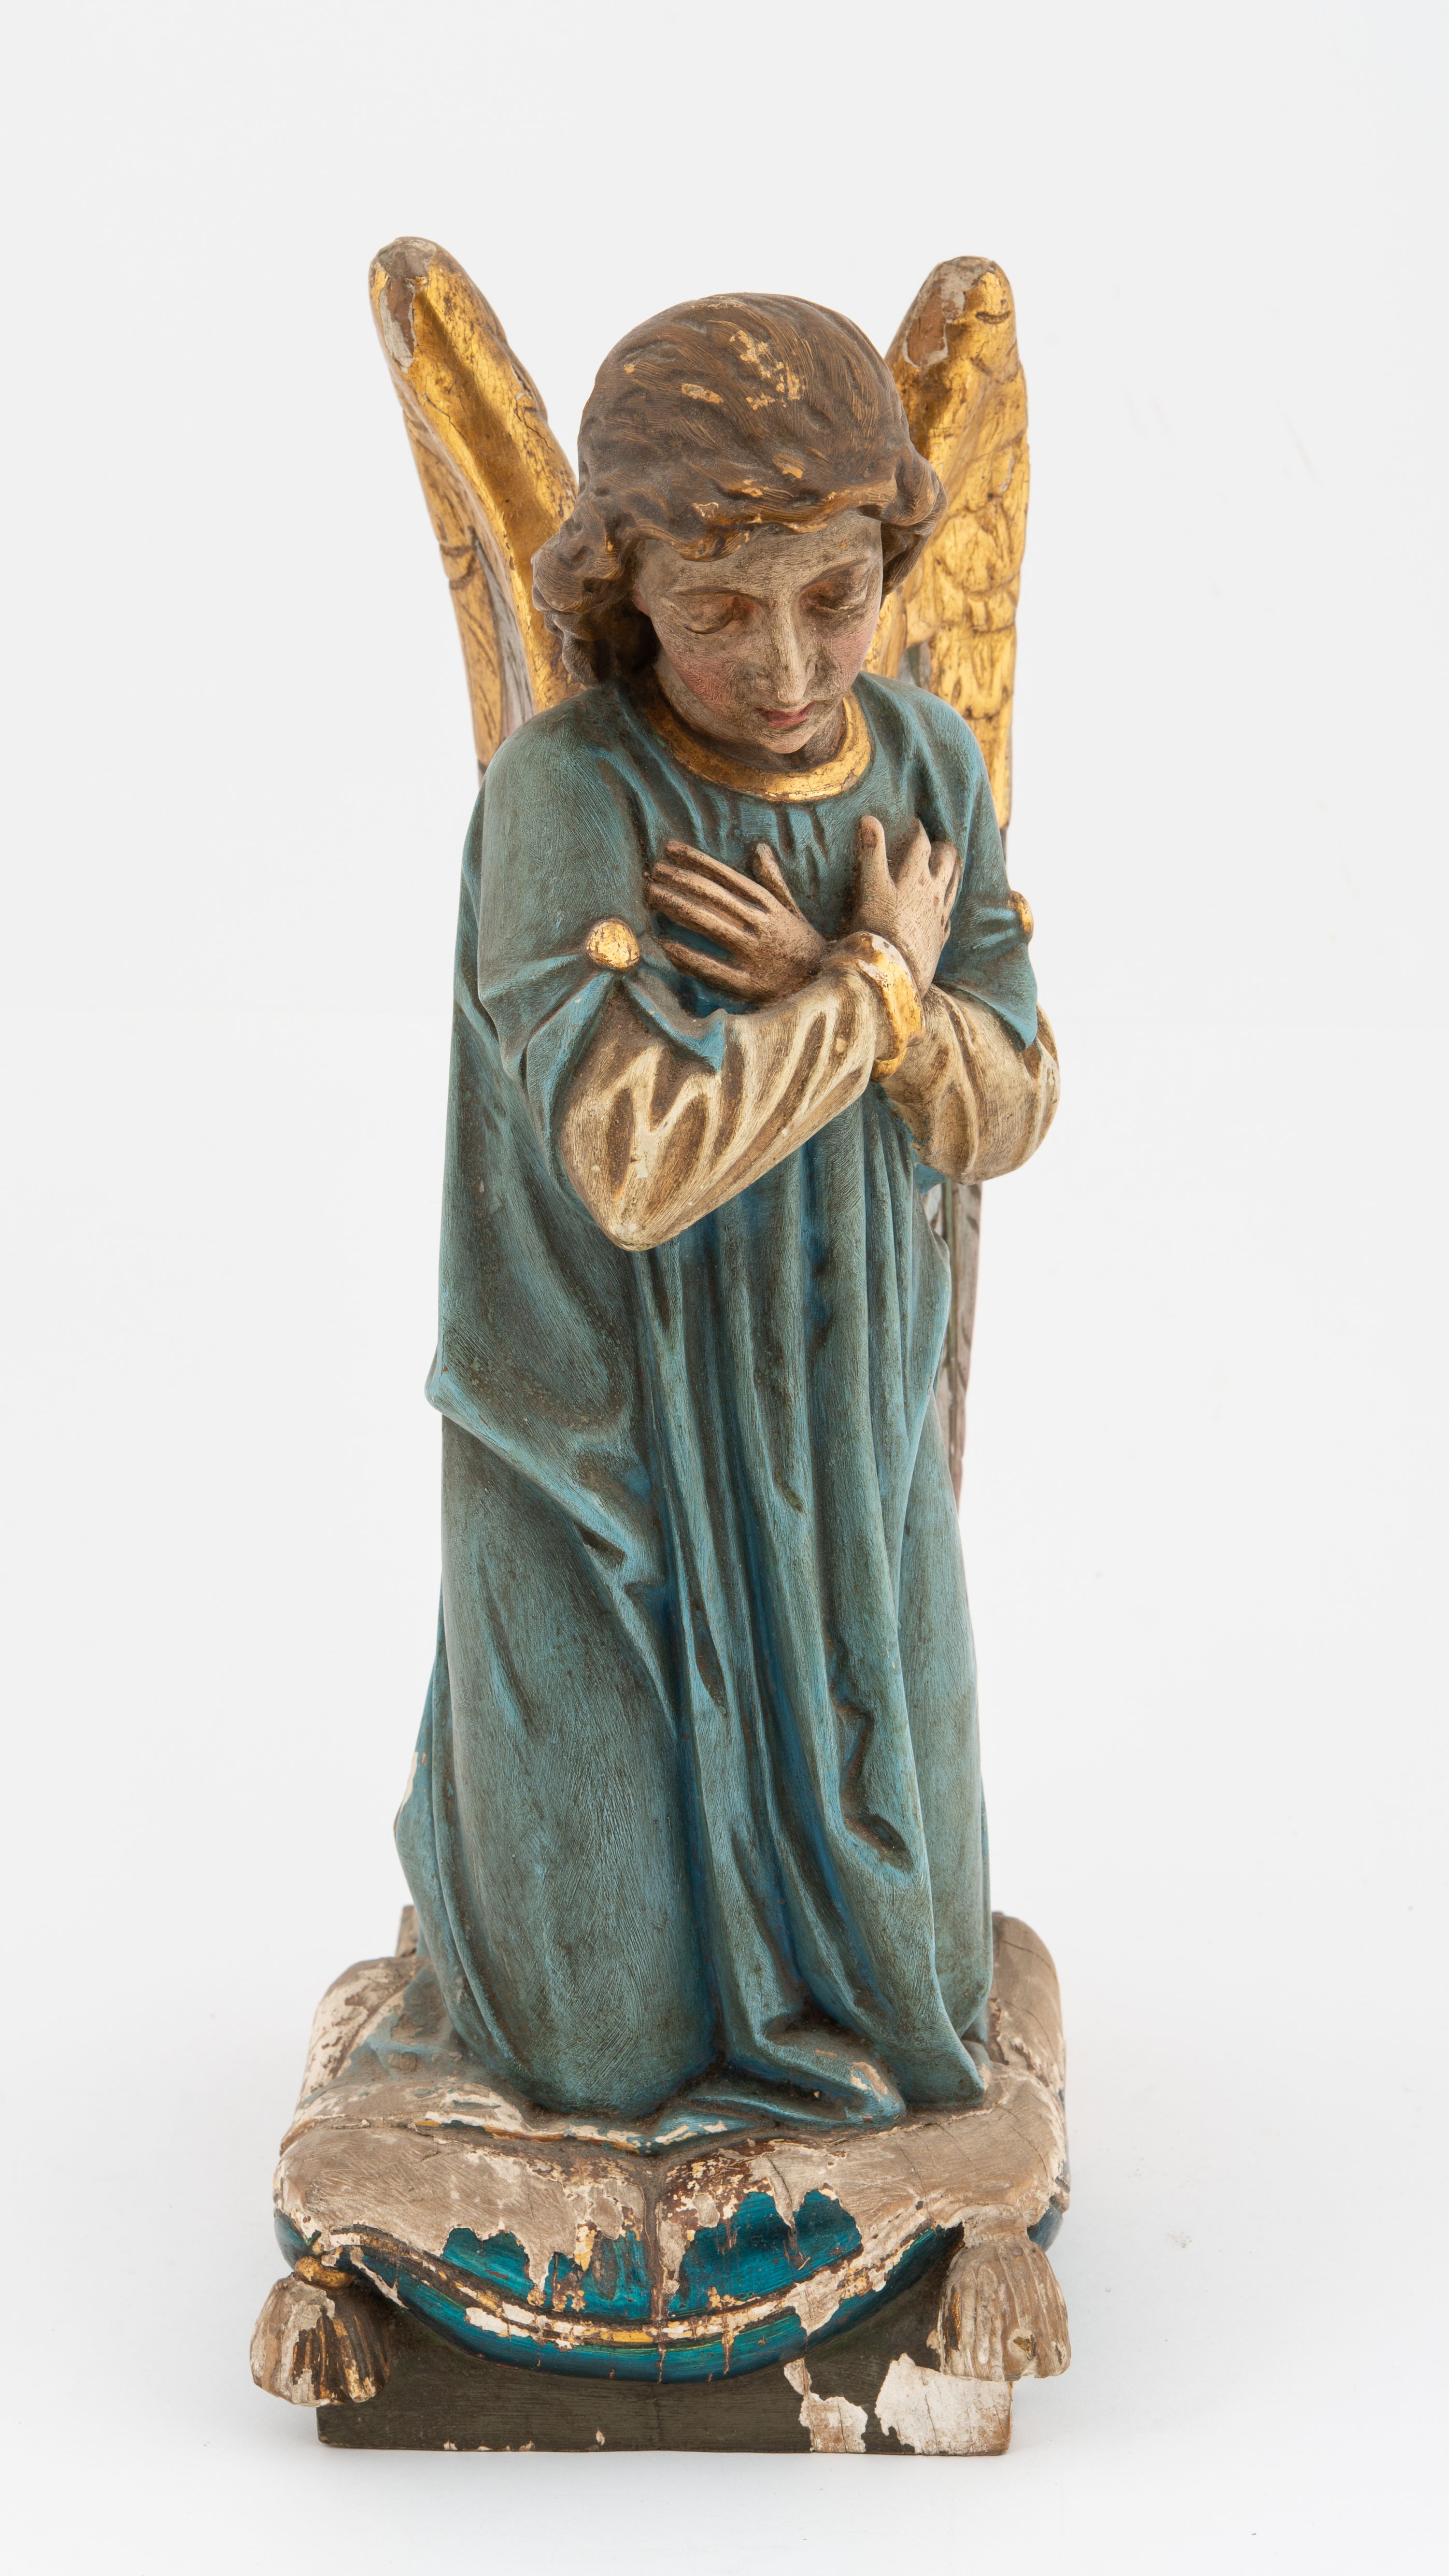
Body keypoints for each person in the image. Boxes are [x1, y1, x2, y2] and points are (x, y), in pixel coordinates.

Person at [393, 293, 1059, 2143]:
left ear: (891, 559)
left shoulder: (923, 765)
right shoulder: (567, 796)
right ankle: (491, 1872)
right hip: (602, 1460)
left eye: (835, 597)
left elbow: (1015, 1102)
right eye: (718, 611)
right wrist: (869, 986)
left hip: (841, 1447)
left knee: (919, 2001)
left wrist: (882, 1011)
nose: (786, 665)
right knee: (591, 2055)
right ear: (625, 588)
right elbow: (637, 1159)